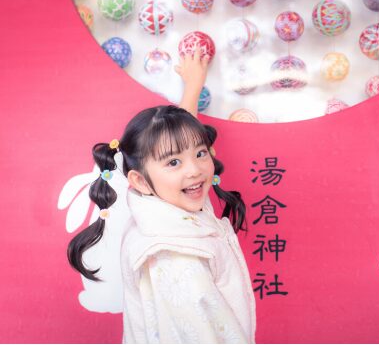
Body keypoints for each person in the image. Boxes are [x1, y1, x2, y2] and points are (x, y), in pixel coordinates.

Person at [67, 48, 256, 343]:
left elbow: (181, 148)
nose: (195, 170)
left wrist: (193, 86)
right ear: (139, 180)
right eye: (174, 162)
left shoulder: (166, 204)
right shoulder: (176, 256)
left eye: (201, 153)